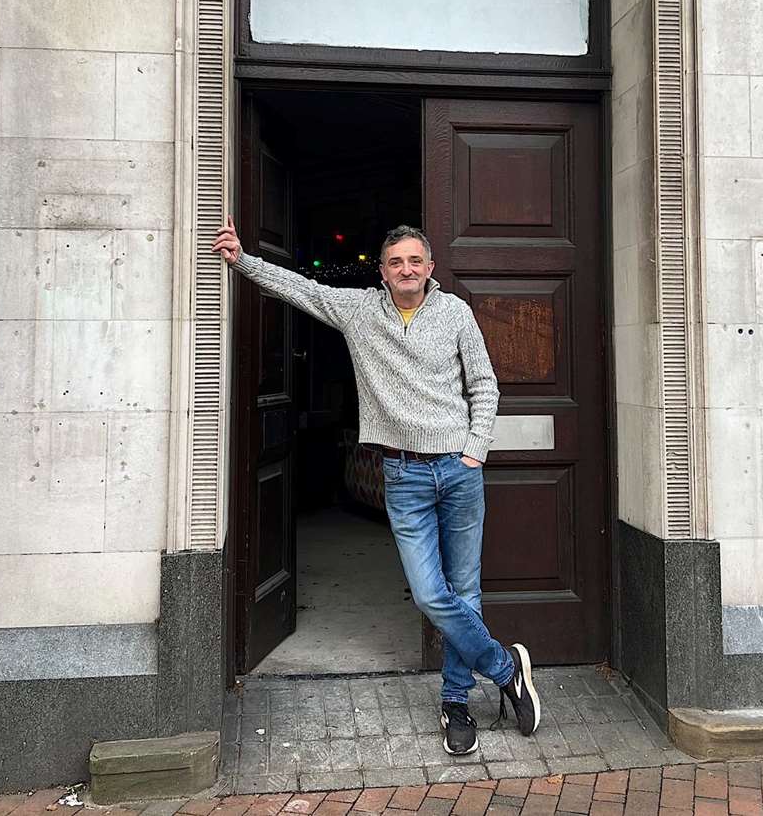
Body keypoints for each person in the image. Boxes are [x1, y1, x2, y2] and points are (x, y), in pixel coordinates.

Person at [212, 216, 541, 755]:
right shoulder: (361, 311)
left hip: (459, 470)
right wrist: (243, 260)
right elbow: (301, 289)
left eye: (415, 261)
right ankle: (506, 669)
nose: (406, 269)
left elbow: (483, 384)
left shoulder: (454, 312)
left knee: (466, 590)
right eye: (396, 262)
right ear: (383, 272)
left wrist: (475, 450)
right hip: (403, 473)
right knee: (433, 594)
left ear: (430, 268)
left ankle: (455, 701)